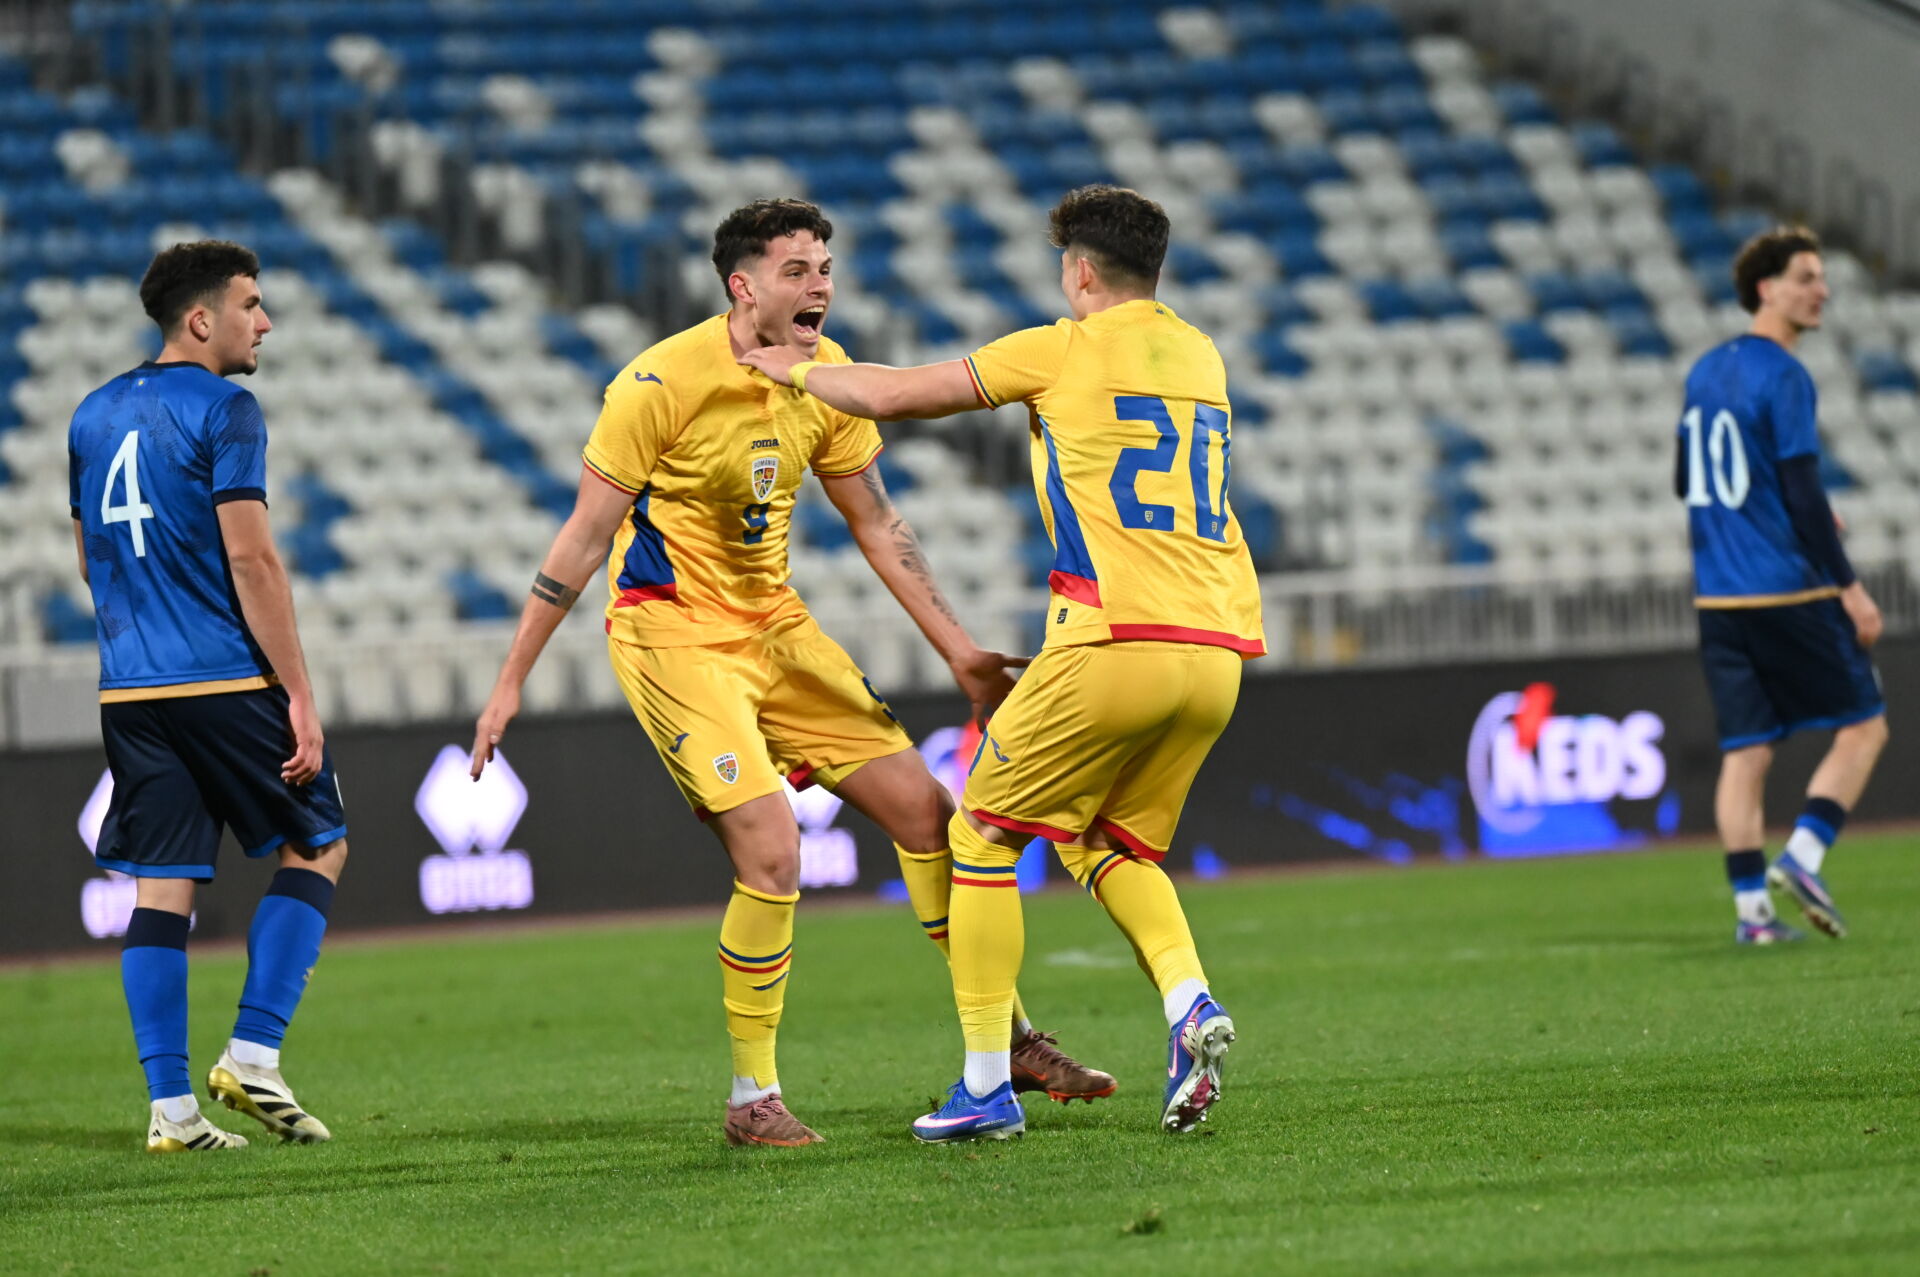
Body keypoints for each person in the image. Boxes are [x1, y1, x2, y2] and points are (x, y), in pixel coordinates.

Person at [469, 199, 1111, 1148]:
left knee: (932, 817)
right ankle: (750, 1098)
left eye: (825, 268)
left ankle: (1007, 1041)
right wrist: (511, 678)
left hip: (777, 626)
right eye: (799, 270)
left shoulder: (824, 373)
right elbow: (585, 536)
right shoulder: (658, 382)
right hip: (673, 632)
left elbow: (878, 523)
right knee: (772, 848)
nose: (821, 285)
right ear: (744, 286)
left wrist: (960, 650)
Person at [742, 185, 1265, 1140]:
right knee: (1106, 840)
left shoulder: (1061, 346)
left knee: (980, 839)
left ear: (1078, 272)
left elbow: (897, 396)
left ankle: (987, 1087)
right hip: (1220, 651)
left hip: (1116, 639)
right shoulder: (1202, 353)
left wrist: (795, 369)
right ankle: (1190, 1004)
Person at [68, 240, 345, 1153]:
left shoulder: (91, 413)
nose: (264, 321)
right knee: (320, 842)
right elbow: (252, 556)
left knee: (163, 885)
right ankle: (255, 1052)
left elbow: (91, 559)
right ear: (202, 319)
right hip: (225, 675)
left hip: (130, 686)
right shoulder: (228, 407)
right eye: (252, 305)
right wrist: (299, 693)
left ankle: (172, 1111)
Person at [1676, 226, 1888, 945]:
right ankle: (1803, 855)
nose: (1820, 289)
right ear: (1766, 288)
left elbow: (1688, 480)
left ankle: (1753, 919)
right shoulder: (1785, 375)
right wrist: (1850, 588)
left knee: (1747, 751)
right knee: (1864, 727)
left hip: (1718, 597)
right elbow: (1800, 490)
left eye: (1821, 277)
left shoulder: (1704, 372)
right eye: (1806, 276)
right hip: (1782, 590)